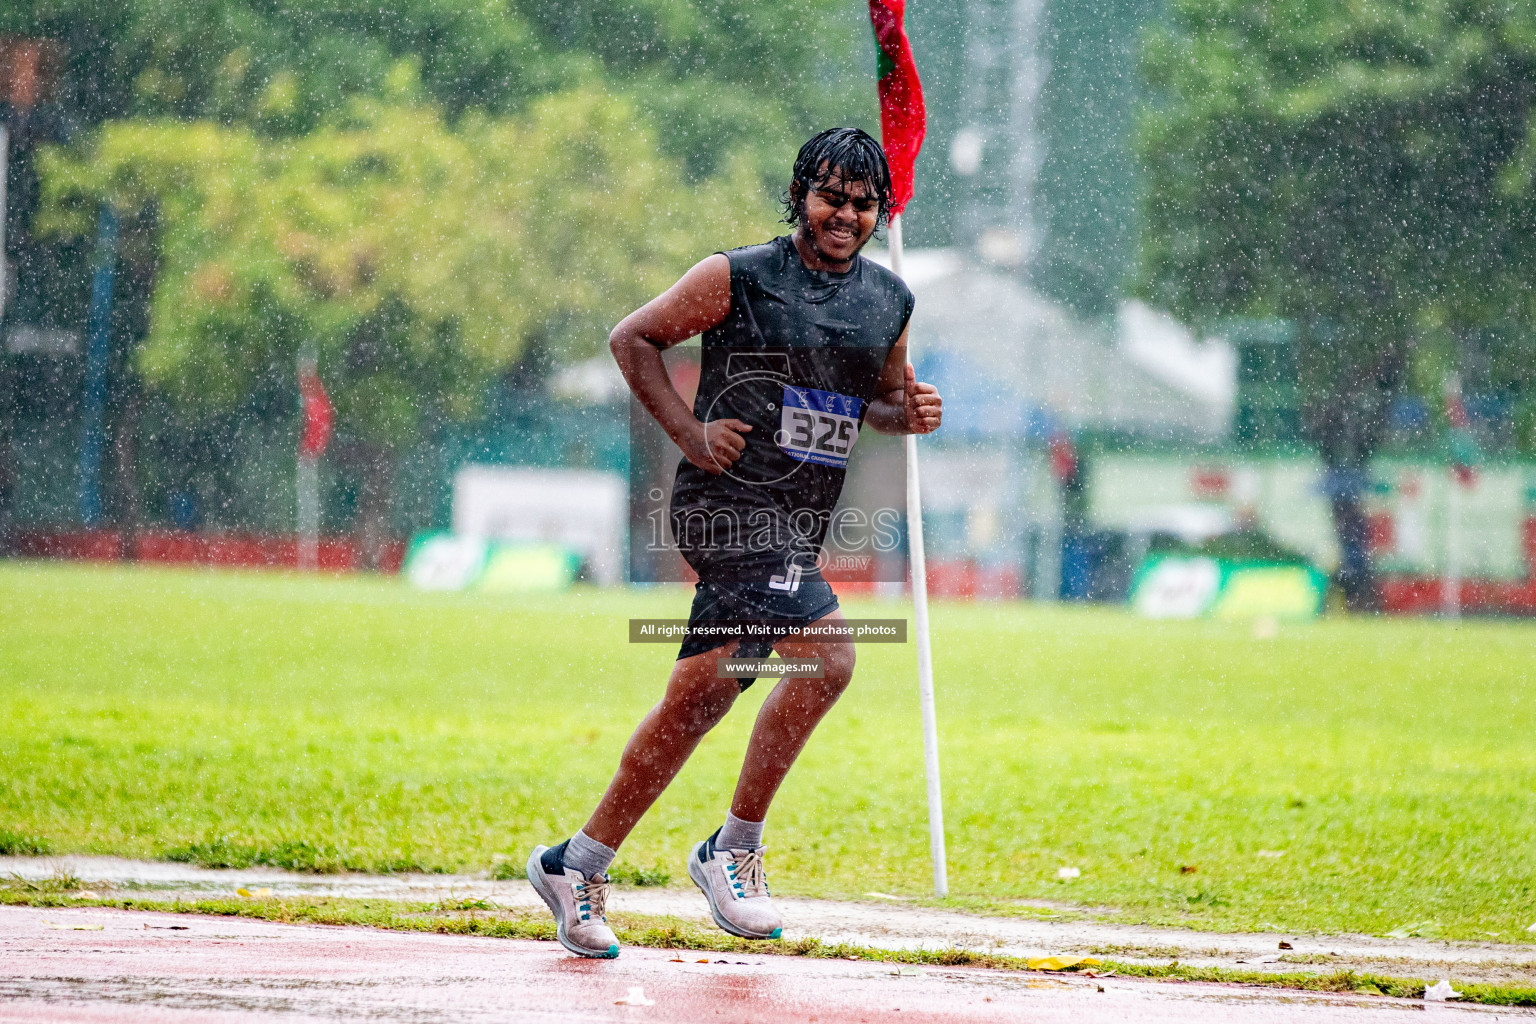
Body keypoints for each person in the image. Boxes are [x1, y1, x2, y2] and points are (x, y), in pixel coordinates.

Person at [526, 127, 943, 959]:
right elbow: (632, 337)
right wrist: (687, 432)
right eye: (831, 197)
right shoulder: (738, 277)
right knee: (828, 658)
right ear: (800, 194)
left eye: (864, 204)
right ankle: (734, 851)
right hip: (726, 509)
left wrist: (913, 412)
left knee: (700, 700)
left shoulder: (890, 300)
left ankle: (575, 863)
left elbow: (878, 405)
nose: (847, 216)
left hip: (799, 523)